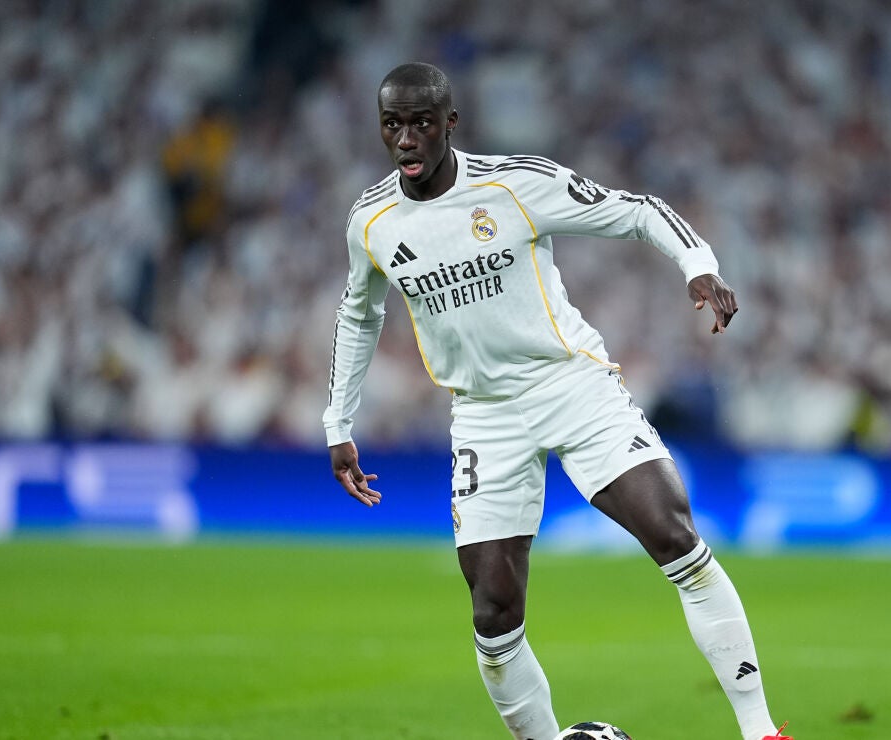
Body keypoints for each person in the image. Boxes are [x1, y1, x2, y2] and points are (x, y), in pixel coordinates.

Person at [324, 62, 790, 740]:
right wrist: (338, 421)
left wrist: (698, 266)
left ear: (450, 124)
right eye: (392, 125)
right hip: (483, 412)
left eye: (422, 123)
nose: (406, 139)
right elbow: (358, 316)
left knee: (674, 534)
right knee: (493, 610)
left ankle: (761, 730)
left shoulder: (515, 185)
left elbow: (636, 211)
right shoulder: (370, 220)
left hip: (570, 384)